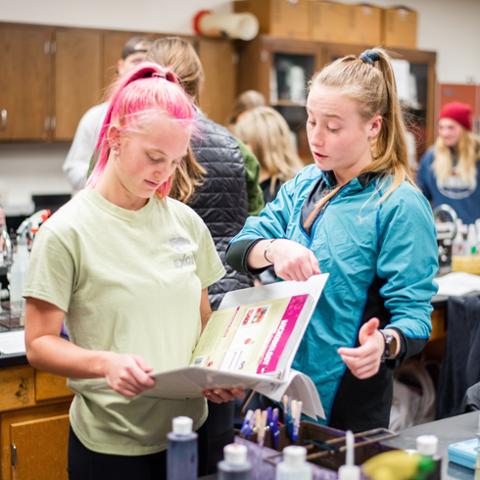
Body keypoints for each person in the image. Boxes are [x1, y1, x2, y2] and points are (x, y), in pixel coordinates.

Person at [24, 63, 241, 480]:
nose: (163, 173)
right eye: (154, 157)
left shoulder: (185, 223)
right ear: (115, 139)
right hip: (112, 447)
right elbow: (39, 344)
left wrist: (216, 372)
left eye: (175, 162)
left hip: (189, 434)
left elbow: (204, 324)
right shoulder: (66, 232)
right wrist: (105, 363)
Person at [226, 48, 439, 432]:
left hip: (347, 401)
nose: (316, 137)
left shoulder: (398, 204)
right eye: (310, 121)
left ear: (373, 126)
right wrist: (275, 249)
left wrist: (384, 344)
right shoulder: (306, 183)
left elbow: (415, 318)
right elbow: (239, 247)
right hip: (278, 383)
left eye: (333, 127)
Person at [144, 36, 263, 475]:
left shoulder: (145, 140)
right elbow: (240, 236)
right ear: (200, 82)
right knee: (214, 451)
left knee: (165, 444)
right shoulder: (232, 147)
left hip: (168, 312)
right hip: (220, 315)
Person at [62, 36, 152, 192]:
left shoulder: (158, 119)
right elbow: (73, 168)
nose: (141, 69)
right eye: (137, 61)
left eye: (148, 63)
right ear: (121, 66)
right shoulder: (94, 117)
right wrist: (106, 181)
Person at [417, 101, 480, 224]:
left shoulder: (477, 156)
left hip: (475, 235)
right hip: (444, 233)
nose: (445, 133)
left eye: (451, 127)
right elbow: (421, 196)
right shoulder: (431, 158)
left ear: (464, 129)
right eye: (441, 127)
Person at [233, 105, 304, 203]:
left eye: (244, 142)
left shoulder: (288, 191)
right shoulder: (248, 184)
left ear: (262, 145)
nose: (238, 148)